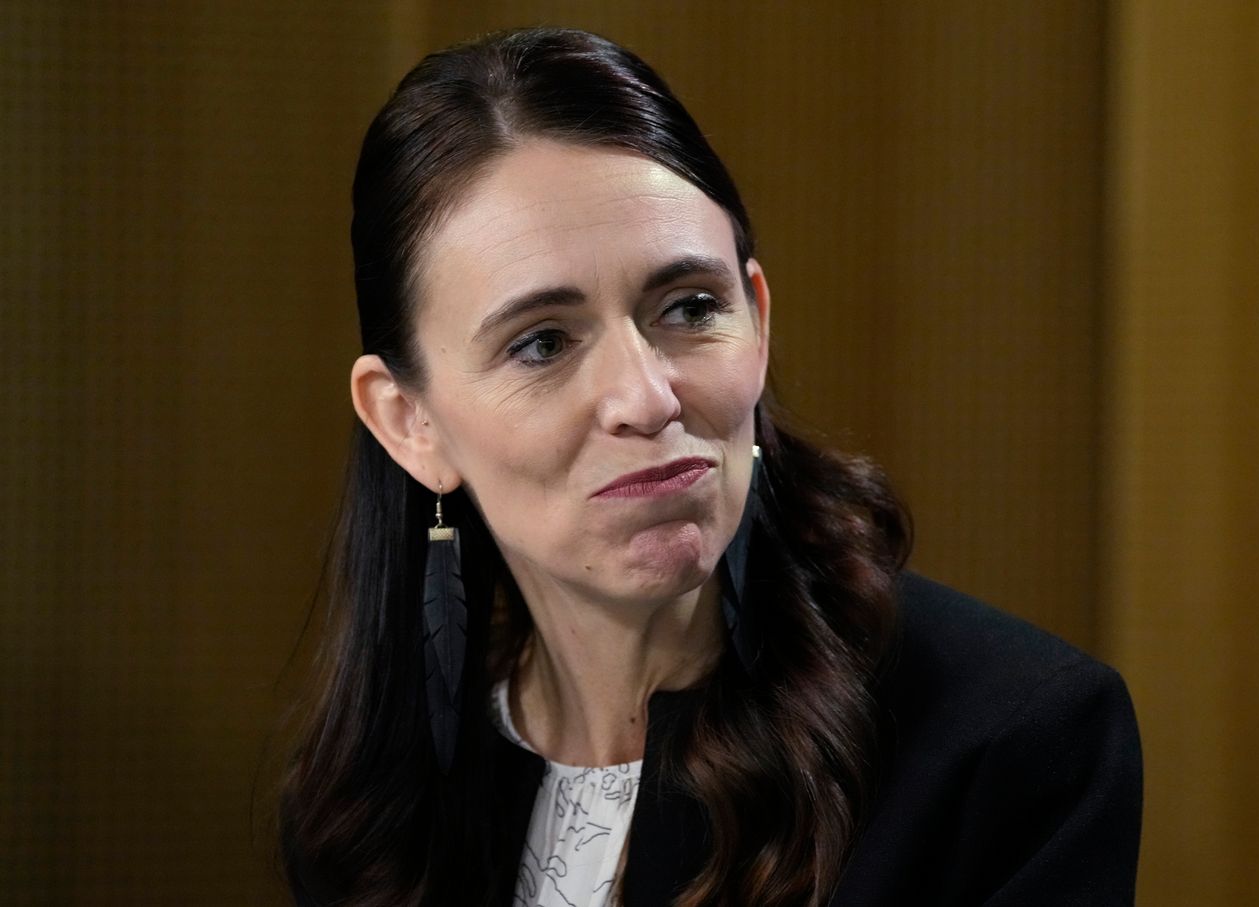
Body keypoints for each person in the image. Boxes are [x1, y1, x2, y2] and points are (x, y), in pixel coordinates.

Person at [278, 26, 1142, 907]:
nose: (646, 397)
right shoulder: (374, 806)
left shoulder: (1010, 742)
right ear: (409, 420)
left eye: (689, 306)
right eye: (542, 342)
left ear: (757, 320)